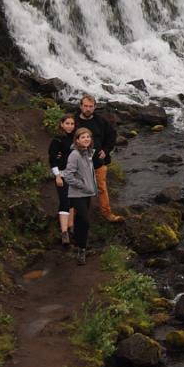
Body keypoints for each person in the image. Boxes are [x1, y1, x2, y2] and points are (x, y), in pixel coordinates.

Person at [74, 94, 123, 223]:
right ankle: (79, 216)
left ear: (95, 107)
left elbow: (112, 135)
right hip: (79, 163)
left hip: (98, 162)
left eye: (90, 106)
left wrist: (106, 150)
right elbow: (66, 138)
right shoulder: (74, 121)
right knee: (80, 189)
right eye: (85, 106)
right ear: (80, 106)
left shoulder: (100, 121)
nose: (88, 109)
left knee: (101, 188)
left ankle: (107, 213)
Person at [62, 127, 97, 265]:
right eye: (83, 137)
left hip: (87, 193)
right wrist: (82, 185)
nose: (86, 139)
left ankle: (80, 246)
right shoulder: (75, 155)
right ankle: (81, 249)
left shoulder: (88, 152)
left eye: (88, 137)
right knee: (85, 221)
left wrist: (90, 186)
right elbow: (67, 175)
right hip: (77, 194)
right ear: (77, 140)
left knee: (81, 221)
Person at [48, 113, 76, 246]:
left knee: (72, 201)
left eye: (72, 124)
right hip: (62, 174)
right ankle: (64, 232)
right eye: (67, 123)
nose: (70, 126)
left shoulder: (75, 138)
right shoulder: (57, 140)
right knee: (64, 200)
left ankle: (71, 227)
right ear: (61, 124)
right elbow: (52, 159)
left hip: (74, 175)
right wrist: (57, 175)